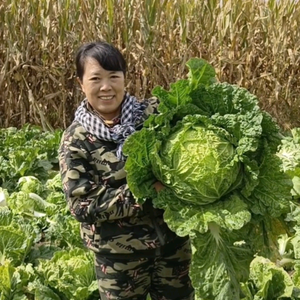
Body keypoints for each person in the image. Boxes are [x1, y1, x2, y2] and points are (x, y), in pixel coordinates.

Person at [58, 41, 195, 300]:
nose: (106, 87)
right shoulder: (75, 139)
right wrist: (144, 192)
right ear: (80, 84)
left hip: (173, 245)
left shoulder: (154, 115)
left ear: (124, 79)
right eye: (96, 78)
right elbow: (82, 205)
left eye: (114, 76)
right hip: (118, 258)